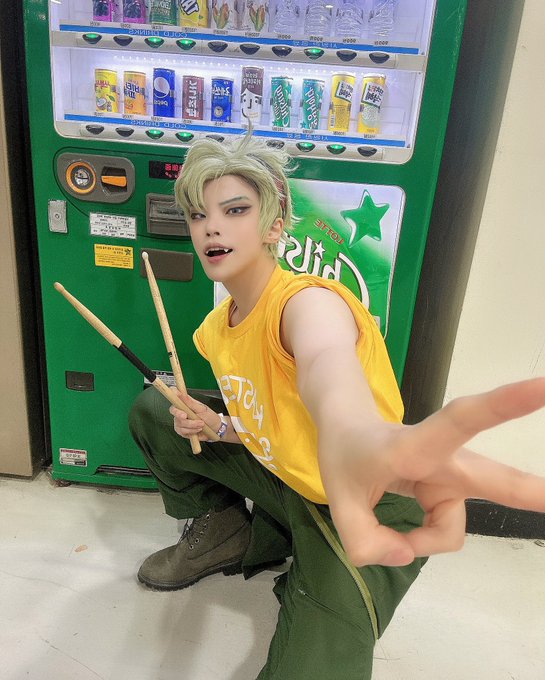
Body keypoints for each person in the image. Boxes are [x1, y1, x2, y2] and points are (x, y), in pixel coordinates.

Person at [129, 130, 545, 679]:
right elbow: (269, 420)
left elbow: (326, 359)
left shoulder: (307, 303)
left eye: (235, 210)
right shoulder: (214, 330)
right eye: (197, 215)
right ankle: (226, 534)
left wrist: (351, 427)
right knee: (157, 411)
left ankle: (314, 567)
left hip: (369, 499)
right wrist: (219, 426)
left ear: (274, 223)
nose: (211, 227)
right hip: (288, 478)